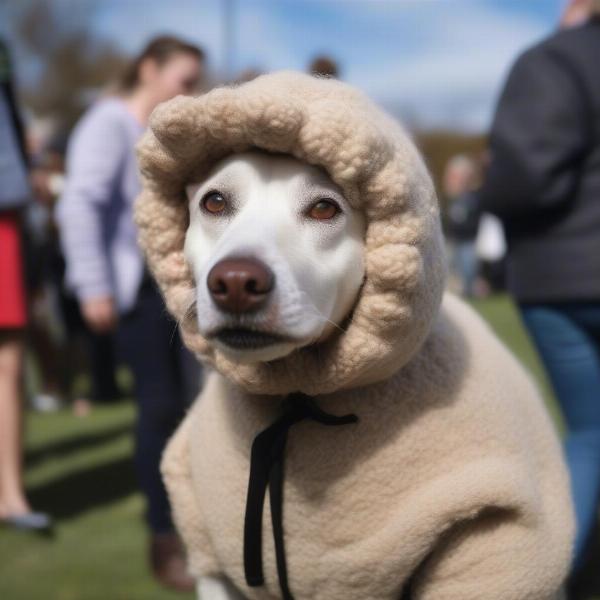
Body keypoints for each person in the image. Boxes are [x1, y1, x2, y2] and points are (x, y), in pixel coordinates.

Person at [56, 36, 205, 592]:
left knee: (194, 406)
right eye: (183, 78)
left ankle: (199, 520)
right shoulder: (107, 123)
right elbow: (80, 204)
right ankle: (162, 537)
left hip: (176, 287)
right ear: (149, 68)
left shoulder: (166, 131)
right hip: (136, 292)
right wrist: (93, 285)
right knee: (159, 407)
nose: (189, 90)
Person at [479, 0, 600, 580]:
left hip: (561, 276)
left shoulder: (554, 60)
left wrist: (489, 190)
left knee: (589, 433)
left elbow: (523, 175)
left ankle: (549, 580)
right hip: (569, 276)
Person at [0, 40, 51, 531]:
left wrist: (32, 167)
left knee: (9, 363)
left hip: (3, 214)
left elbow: (10, 115)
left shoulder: (3, 50)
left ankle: (11, 496)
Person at [443, 154, 482, 297]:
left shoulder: (474, 196)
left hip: (469, 240)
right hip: (452, 241)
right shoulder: (450, 197)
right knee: (450, 272)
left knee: (468, 271)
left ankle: (469, 293)